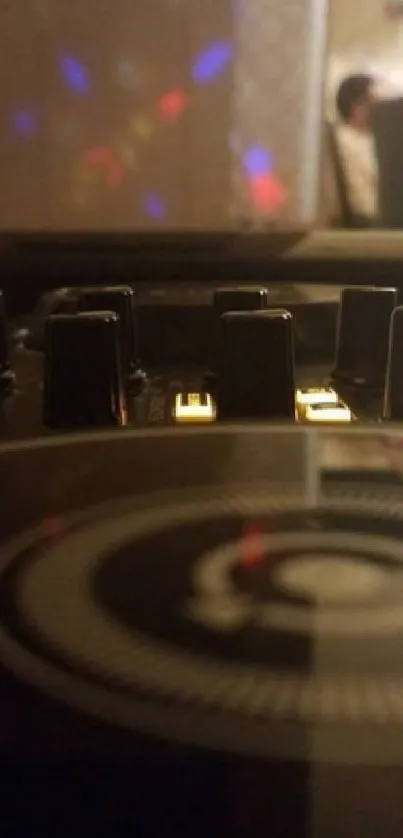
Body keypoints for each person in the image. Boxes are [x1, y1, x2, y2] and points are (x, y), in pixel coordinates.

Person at [335, 74, 378, 225]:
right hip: (369, 222)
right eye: (375, 103)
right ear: (356, 106)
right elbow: (361, 201)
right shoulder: (342, 141)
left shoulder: (372, 138)